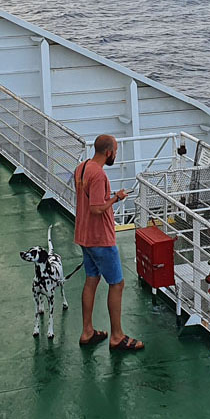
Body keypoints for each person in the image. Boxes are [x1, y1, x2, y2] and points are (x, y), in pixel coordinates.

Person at [74, 134, 145, 351]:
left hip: (84, 236)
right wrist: (117, 198)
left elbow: (91, 200)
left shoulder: (82, 167)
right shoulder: (99, 175)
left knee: (92, 280)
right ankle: (117, 336)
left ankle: (87, 331)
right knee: (117, 284)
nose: (116, 154)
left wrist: (110, 196)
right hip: (100, 239)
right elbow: (96, 208)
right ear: (108, 152)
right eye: (115, 151)